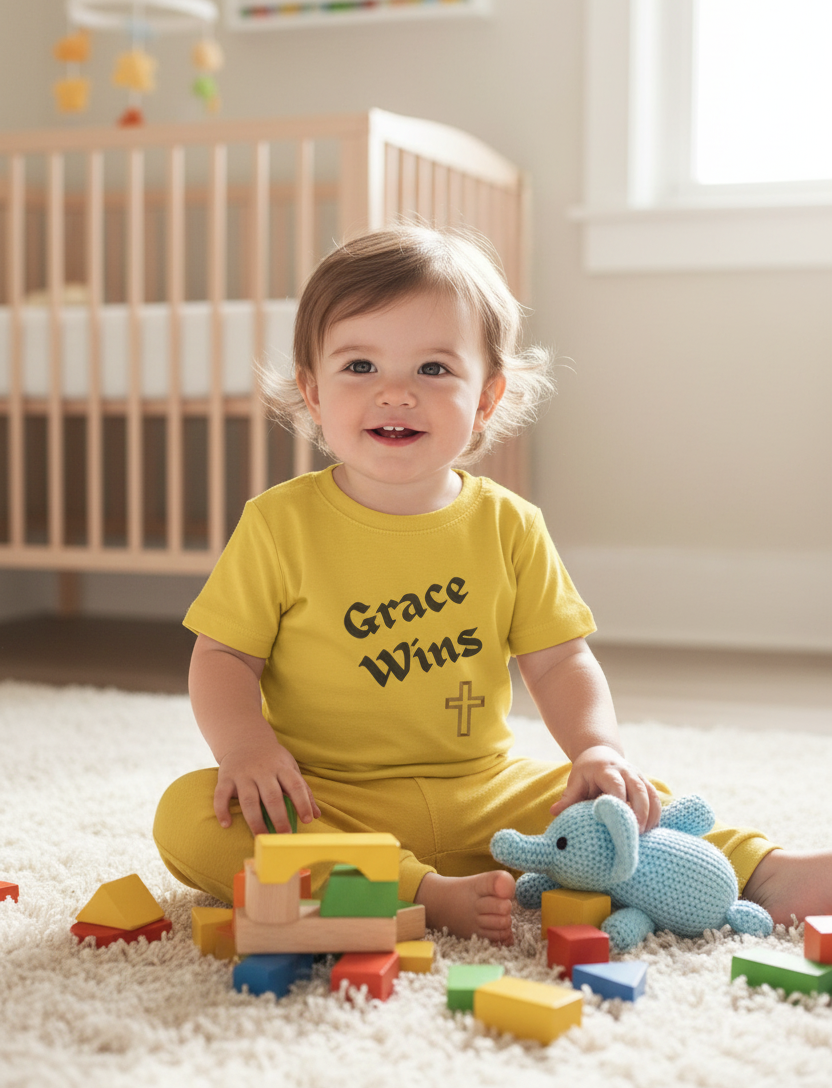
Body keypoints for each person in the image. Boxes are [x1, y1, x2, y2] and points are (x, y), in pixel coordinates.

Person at [153, 225, 831, 944]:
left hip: (488, 794)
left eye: (434, 370)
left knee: (620, 809)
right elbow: (224, 657)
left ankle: (765, 872)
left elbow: (560, 659)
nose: (395, 393)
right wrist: (247, 749)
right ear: (314, 392)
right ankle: (421, 894)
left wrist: (597, 751)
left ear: (486, 397)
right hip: (329, 799)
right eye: (359, 366)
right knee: (190, 816)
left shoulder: (511, 525)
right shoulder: (278, 523)